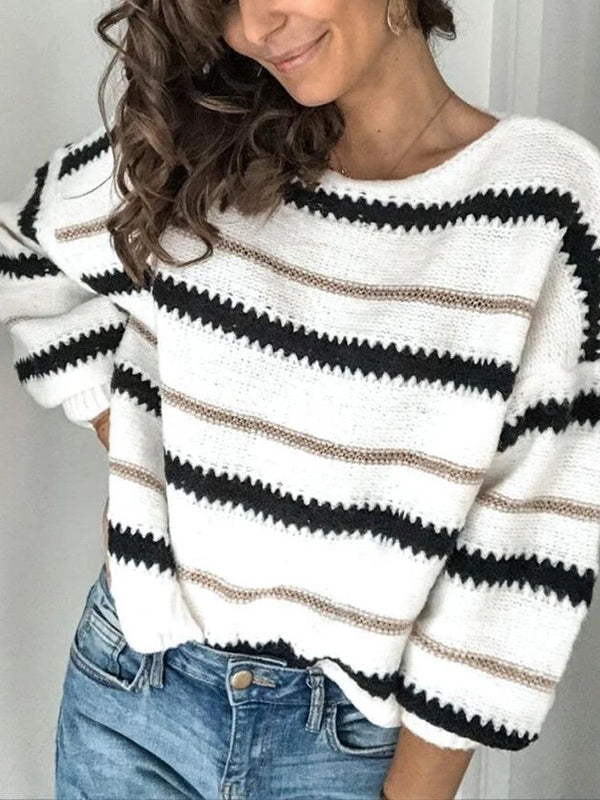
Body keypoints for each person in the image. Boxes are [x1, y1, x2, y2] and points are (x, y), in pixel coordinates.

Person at [1, 0, 599, 798]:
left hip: (343, 748)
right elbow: (27, 248)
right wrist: (128, 437)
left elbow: (524, 551)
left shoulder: (546, 206)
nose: (255, 27)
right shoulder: (206, 149)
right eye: (223, 3)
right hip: (132, 693)